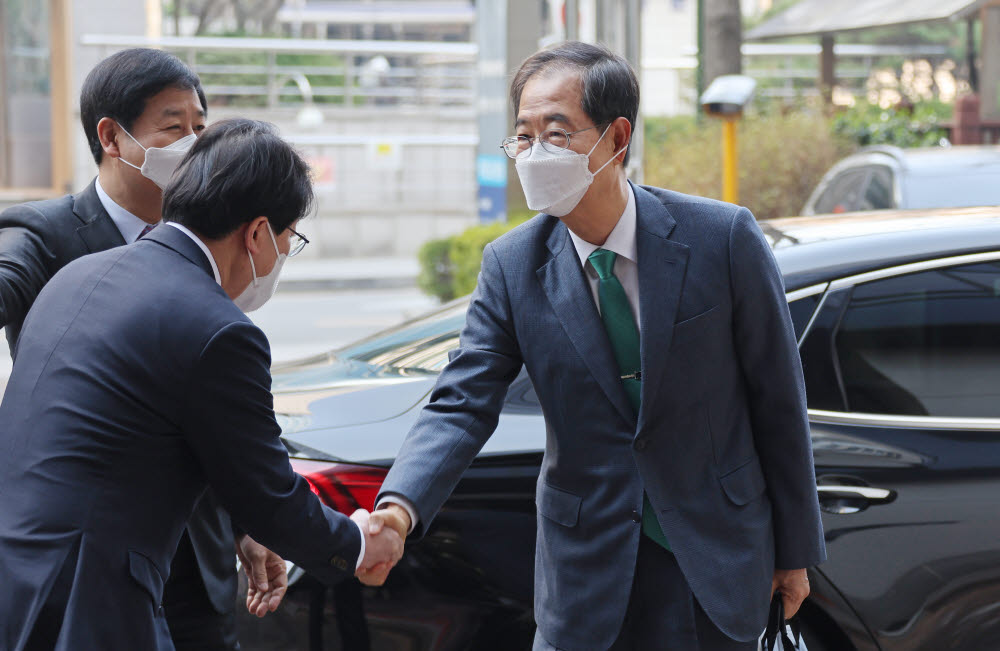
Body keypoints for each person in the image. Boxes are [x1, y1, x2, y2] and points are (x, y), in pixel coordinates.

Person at [368, 42, 826, 650]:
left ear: (616, 138)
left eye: (556, 134)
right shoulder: (512, 266)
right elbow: (462, 402)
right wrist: (397, 511)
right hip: (587, 574)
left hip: (715, 560)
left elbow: (778, 400)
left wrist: (794, 551)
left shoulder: (721, 239)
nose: (534, 153)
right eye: (523, 136)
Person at [0, 118, 404, 651]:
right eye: (290, 238)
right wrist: (357, 544)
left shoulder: (80, 274)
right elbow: (269, 497)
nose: (283, 253)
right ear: (257, 234)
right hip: (86, 604)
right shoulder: (219, 329)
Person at [0, 48, 247, 649]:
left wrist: (252, 522)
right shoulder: (44, 233)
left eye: (199, 127)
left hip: (199, 571)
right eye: (173, 127)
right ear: (112, 137)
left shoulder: (209, 246)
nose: (194, 144)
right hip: (86, 578)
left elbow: (218, 411)